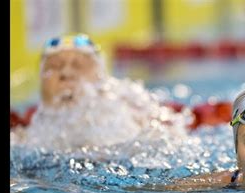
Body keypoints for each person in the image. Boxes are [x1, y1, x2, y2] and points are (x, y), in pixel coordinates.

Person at [10, 33, 189, 149]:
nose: (66, 73)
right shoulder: (24, 138)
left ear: (101, 79)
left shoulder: (131, 115)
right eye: (55, 67)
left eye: (78, 66)